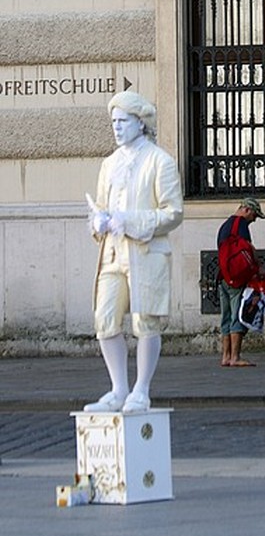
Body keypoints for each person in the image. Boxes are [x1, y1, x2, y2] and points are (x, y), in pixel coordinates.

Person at [83, 91, 183, 413]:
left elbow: (173, 213)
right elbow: (100, 205)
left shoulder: (160, 161)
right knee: (105, 319)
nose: (117, 127)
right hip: (112, 253)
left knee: (146, 321)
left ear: (140, 124)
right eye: (114, 122)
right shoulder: (109, 163)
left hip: (145, 251)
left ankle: (141, 389)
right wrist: (98, 221)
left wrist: (130, 221)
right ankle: (118, 388)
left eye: (123, 121)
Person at [216, 197, 265, 367]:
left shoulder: (225, 225)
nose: (254, 220)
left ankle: (226, 356)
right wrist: (258, 267)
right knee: (238, 315)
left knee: (226, 316)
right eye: (255, 216)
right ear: (247, 210)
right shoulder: (241, 224)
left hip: (222, 276)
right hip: (236, 279)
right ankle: (235, 357)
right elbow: (248, 248)